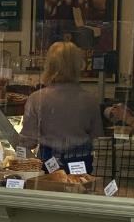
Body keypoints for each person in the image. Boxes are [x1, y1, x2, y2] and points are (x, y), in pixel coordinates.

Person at [18, 41, 103, 174]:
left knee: (49, 190)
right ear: (78, 65)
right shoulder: (90, 99)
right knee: (78, 192)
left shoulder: (37, 98)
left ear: (49, 65)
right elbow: (97, 138)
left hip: (49, 162)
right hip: (81, 163)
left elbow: (28, 141)